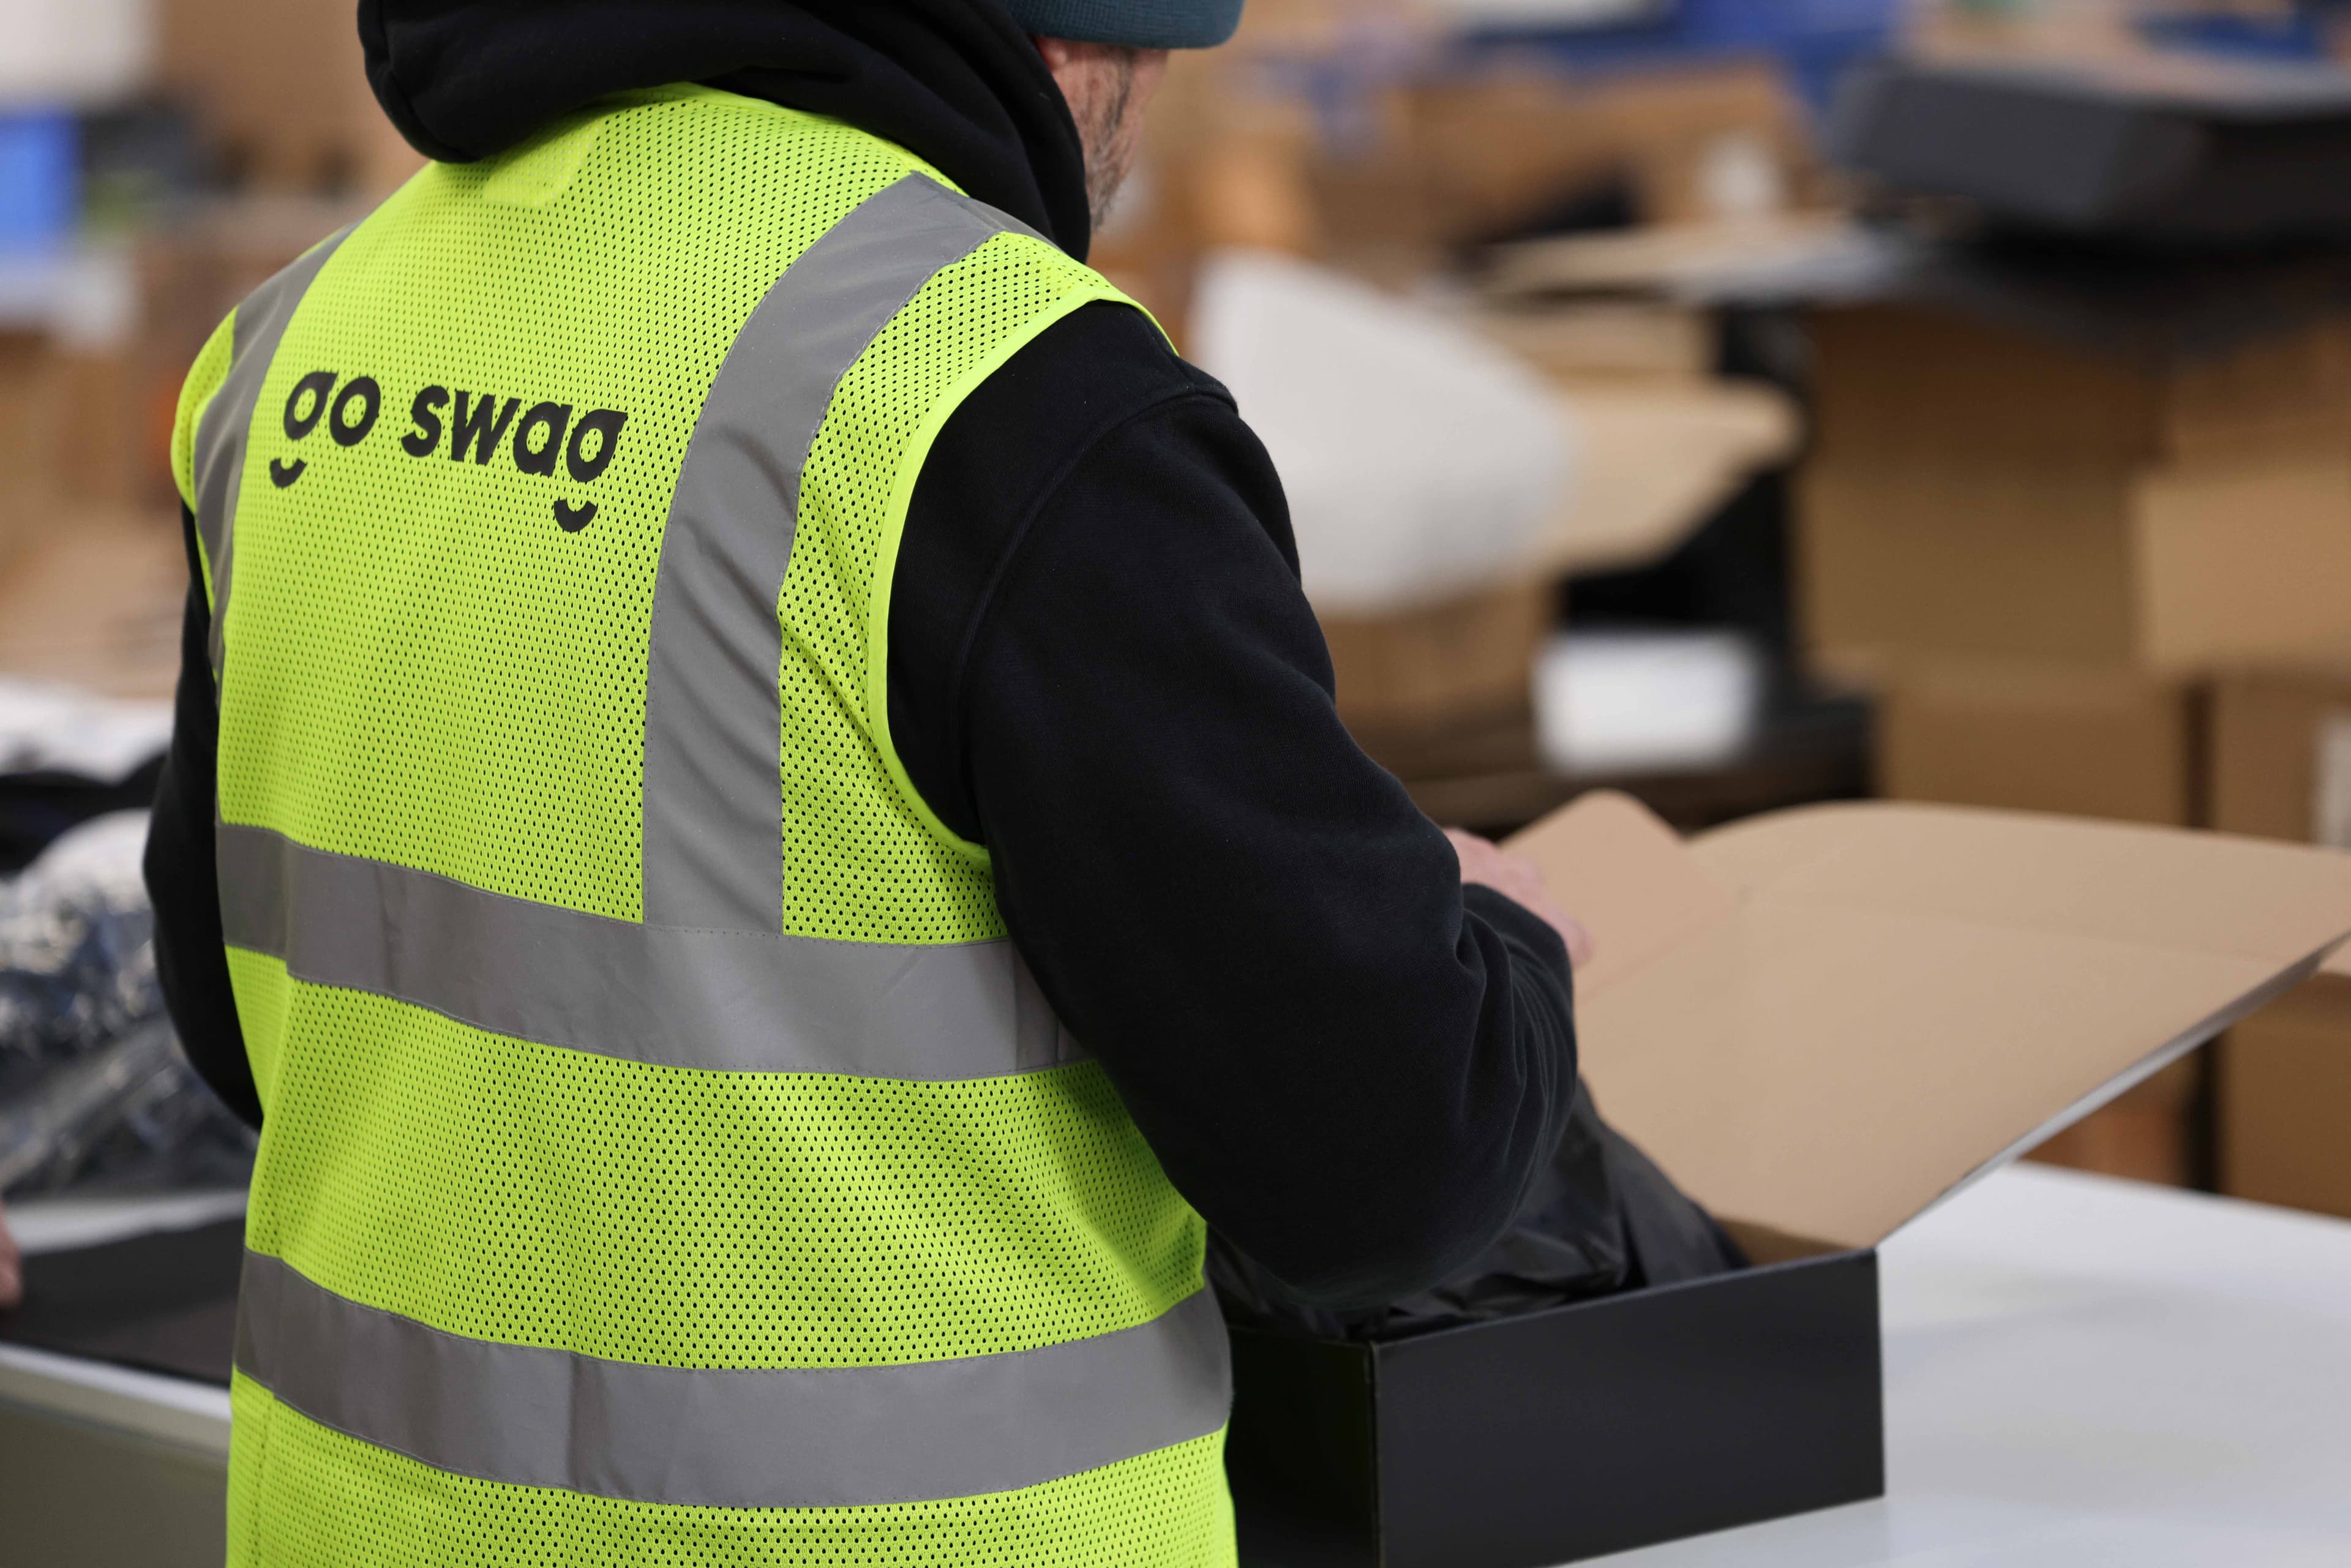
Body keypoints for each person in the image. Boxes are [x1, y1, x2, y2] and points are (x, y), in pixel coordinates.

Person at [141, 2, 1592, 1562]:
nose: (1153, 101)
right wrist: (1499, 946)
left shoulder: (294, 345)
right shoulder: (1001, 392)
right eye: (1145, 40)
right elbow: (1378, 1164)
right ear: (1040, 36)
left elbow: (249, 1019)